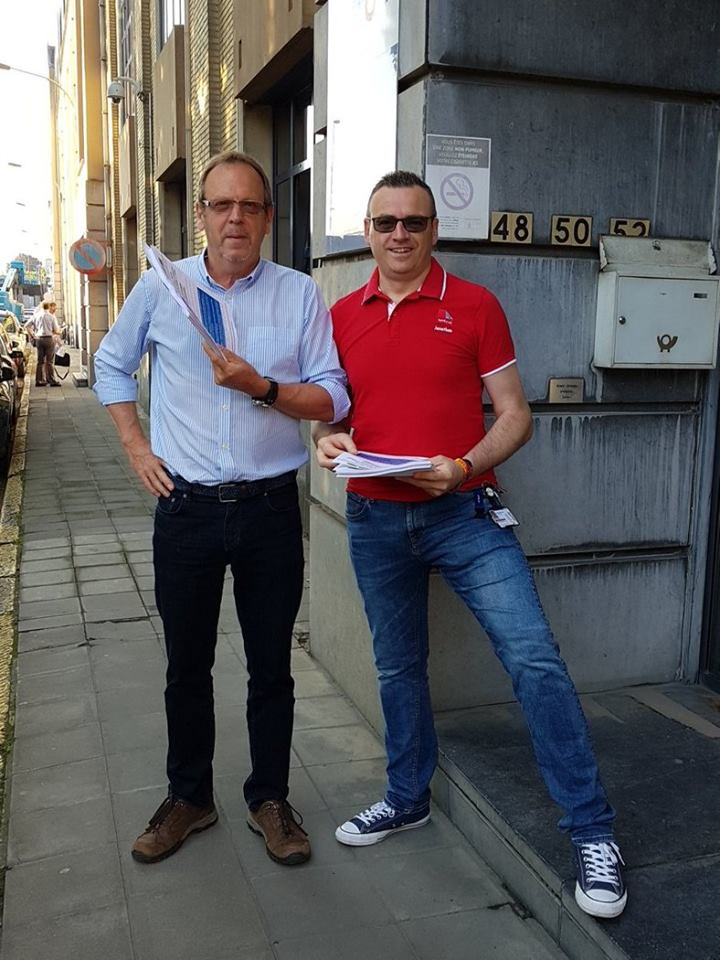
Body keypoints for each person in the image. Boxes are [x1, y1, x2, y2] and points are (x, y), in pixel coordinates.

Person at [314, 170, 626, 919]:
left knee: (533, 658)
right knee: (397, 666)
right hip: (375, 518)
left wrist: (463, 466)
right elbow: (330, 414)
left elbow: (515, 414)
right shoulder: (340, 315)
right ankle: (406, 797)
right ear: (367, 231)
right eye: (385, 222)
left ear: (434, 230)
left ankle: (593, 832)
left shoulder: (476, 305)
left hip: (464, 511)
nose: (399, 234)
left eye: (413, 222)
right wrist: (327, 439)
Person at [94, 150, 349, 867]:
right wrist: (136, 446)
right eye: (220, 205)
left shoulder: (299, 294)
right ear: (202, 214)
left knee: (271, 668)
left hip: (269, 510)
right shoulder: (161, 287)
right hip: (187, 510)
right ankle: (189, 797)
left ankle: (269, 797)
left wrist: (263, 387)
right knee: (186, 666)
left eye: (249, 206)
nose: (235, 218)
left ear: (268, 217)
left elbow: (333, 395)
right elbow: (111, 364)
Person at [25, 300, 61, 386]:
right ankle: (51, 380)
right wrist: (58, 332)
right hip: (49, 339)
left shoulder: (36, 316)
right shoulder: (51, 317)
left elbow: (26, 325)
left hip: (39, 339)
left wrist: (33, 335)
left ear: (42, 307)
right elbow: (55, 330)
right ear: (48, 307)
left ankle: (39, 380)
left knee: (40, 361)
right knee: (49, 361)